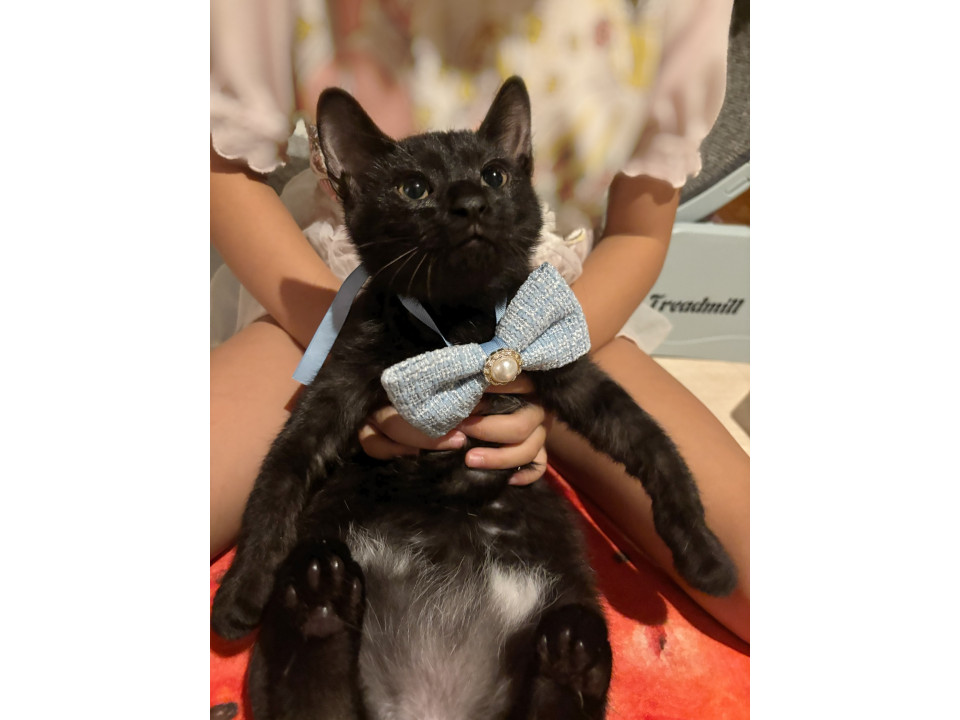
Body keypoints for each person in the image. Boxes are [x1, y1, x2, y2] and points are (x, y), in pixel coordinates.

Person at [211, 0, 749, 643]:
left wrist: (522, 367)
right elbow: (221, 169)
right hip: (344, 291)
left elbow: (639, 231)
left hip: (552, 303)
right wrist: (358, 355)